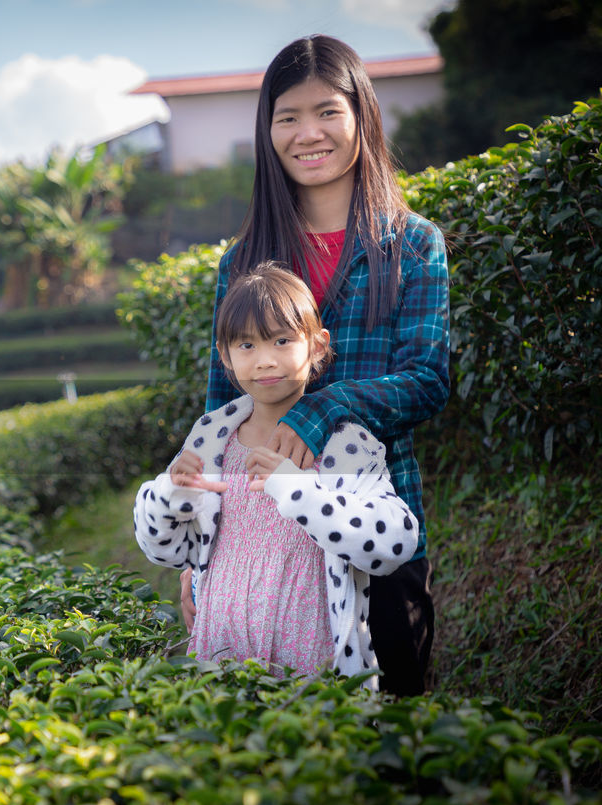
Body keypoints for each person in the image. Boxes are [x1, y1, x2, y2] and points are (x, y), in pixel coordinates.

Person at [173, 34, 449, 695]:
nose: (308, 133)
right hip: (254, 546)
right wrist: (192, 547)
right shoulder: (241, 264)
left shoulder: (413, 245)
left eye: (327, 111)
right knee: (260, 744)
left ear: (361, 116)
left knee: (394, 731)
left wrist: (324, 408)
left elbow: (428, 378)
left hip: (372, 527)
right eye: (287, 116)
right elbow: (220, 413)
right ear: (268, 130)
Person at [134, 262, 418, 690]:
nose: (265, 360)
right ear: (225, 355)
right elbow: (169, 550)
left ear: (317, 347)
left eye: (282, 341)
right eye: (246, 345)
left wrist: (300, 492)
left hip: (312, 659)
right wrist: (168, 495)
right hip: (221, 653)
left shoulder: (345, 444)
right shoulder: (213, 438)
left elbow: (395, 543)